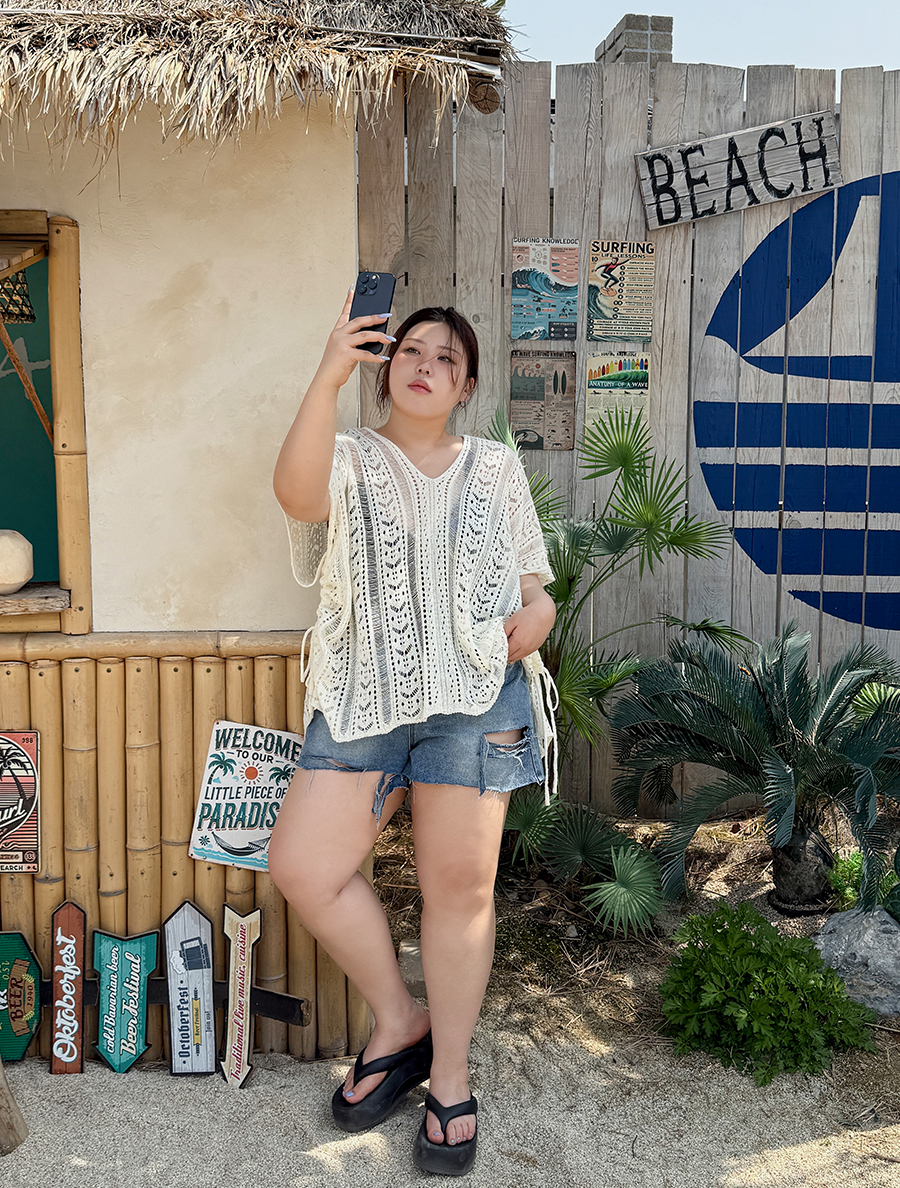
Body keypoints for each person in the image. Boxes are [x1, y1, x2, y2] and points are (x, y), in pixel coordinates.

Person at [268, 291, 557, 1176]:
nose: (427, 365)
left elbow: (532, 579)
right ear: (387, 367)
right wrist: (329, 370)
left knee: (459, 890)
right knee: (304, 867)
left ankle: (451, 1076)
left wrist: (540, 612)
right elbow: (296, 498)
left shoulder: (495, 467)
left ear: (465, 387)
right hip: (363, 693)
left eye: (448, 359)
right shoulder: (349, 456)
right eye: (413, 351)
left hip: (478, 698)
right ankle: (401, 1022)